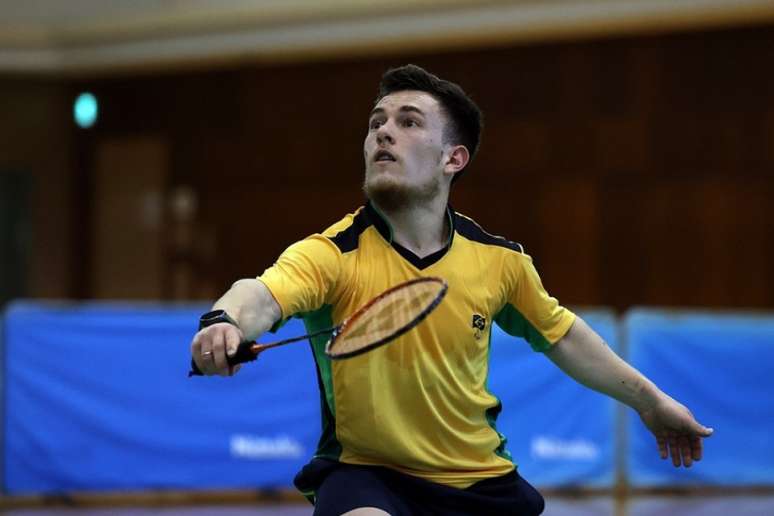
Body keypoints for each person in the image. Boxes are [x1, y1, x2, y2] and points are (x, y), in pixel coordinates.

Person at [190, 64, 713, 516]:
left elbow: (563, 337)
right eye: (376, 124)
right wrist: (224, 321)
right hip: (369, 475)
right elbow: (259, 293)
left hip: (480, 481)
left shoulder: (500, 260)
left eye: (407, 122)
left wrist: (650, 403)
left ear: (453, 159)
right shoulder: (333, 253)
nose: (382, 134)